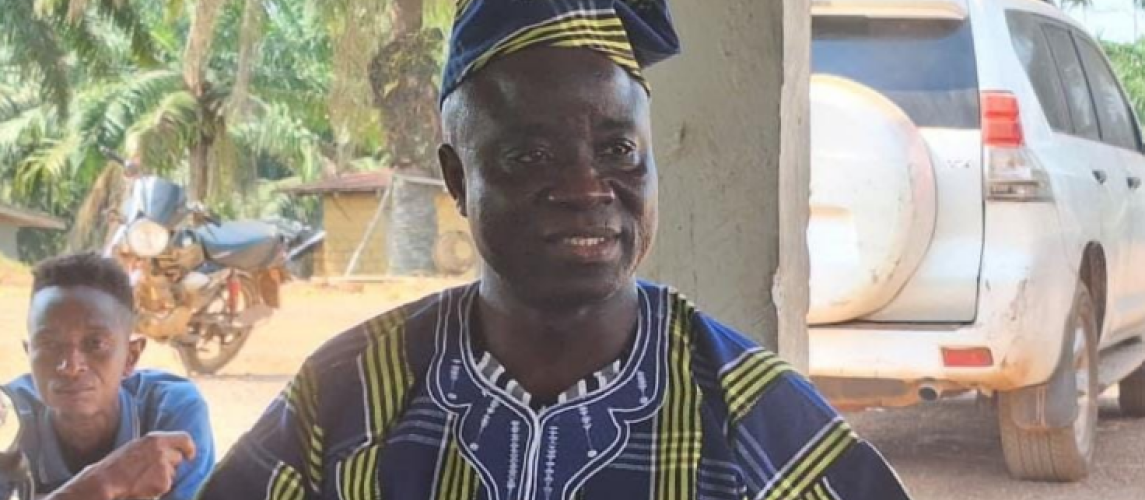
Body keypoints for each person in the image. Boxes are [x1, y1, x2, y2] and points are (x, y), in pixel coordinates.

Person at [196, 1, 911, 499]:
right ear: (458, 179)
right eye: (530, 156)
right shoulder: (350, 391)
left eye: (618, 151)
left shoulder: (743, 406)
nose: (586, 188)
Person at [0, 253, 214, 500]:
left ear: (131, 357)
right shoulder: (7, 420)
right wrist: (103, 483)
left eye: (95, 344)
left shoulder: (169, 412)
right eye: (49, 344)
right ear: (29, 353)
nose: (70, 366)